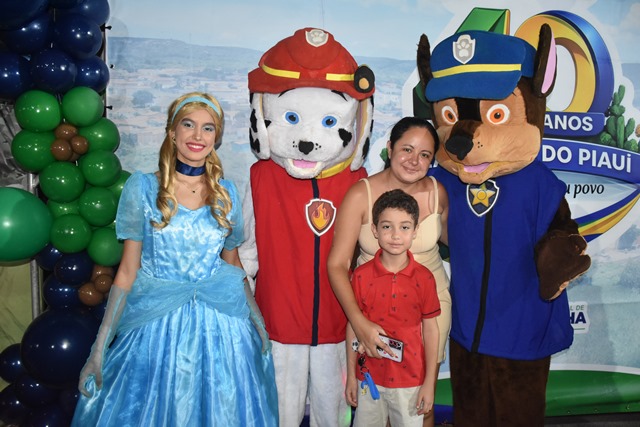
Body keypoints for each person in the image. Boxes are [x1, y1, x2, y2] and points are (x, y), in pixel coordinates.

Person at [71, 92, 279, 426]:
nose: (198, 135)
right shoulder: (143, 189)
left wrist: (258, 322)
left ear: (216, 137)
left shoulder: (226, 194)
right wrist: (99, 349)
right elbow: (127, 272)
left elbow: (233, 265)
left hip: (221, 330)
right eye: (188, 125)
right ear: (172, 132)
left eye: (208, 128)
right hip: (157, 327)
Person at [327, 116, 450, 427]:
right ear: (390, 147)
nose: (414, 160)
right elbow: (337, 264)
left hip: (429, 308)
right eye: (407, 149)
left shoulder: (438, 192)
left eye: (424, 154)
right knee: (375, 399)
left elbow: (463, 243)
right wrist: (359, 320)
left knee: (420, 403)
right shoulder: (361, 194)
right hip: (372, 308)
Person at [346, 189, 440, 427]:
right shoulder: (361, 276)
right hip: (368, 378)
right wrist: (351, 377)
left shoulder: (425, 278)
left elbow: (431, 330)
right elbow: (353, 327)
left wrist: (429, 383)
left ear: (415, 231)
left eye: (405, 227)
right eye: (387, 226)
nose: (396, 235)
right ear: (374, 230)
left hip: (410, 381)